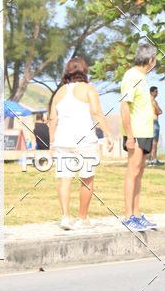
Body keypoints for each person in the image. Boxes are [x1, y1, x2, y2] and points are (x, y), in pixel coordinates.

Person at [48, 57, 113, 230]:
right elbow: (97, 113)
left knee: (64, 179)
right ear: (85, 71)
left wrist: (51, 143)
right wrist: (108, 134)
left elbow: (52, 119)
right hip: (85, 140)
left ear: (67, 71)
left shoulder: (59, 92)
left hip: (62, 140)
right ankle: (82, 218)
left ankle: (65, 217)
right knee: (86, 179)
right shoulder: (89, 89)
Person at [120, 43, 158, 231]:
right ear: (150, 60)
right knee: (132, 173)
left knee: (139, 174)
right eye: (155, 59)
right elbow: (125, 106)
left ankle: (136, 213)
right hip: (136, 133)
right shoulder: (132, 76)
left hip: (146, 132)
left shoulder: (142, 78)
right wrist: (129, 136)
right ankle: (128, 216)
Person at [148, 86, 163, 165]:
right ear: (152, 92)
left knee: (150, 142)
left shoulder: (146, 101)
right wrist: (159, 111)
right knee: (154, 142)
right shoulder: (153, 101)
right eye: (156, 91)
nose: (157, 93)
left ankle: (150, 160)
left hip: (148, 122)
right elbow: (159, 111)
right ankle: (154, 160)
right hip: (154, 121)